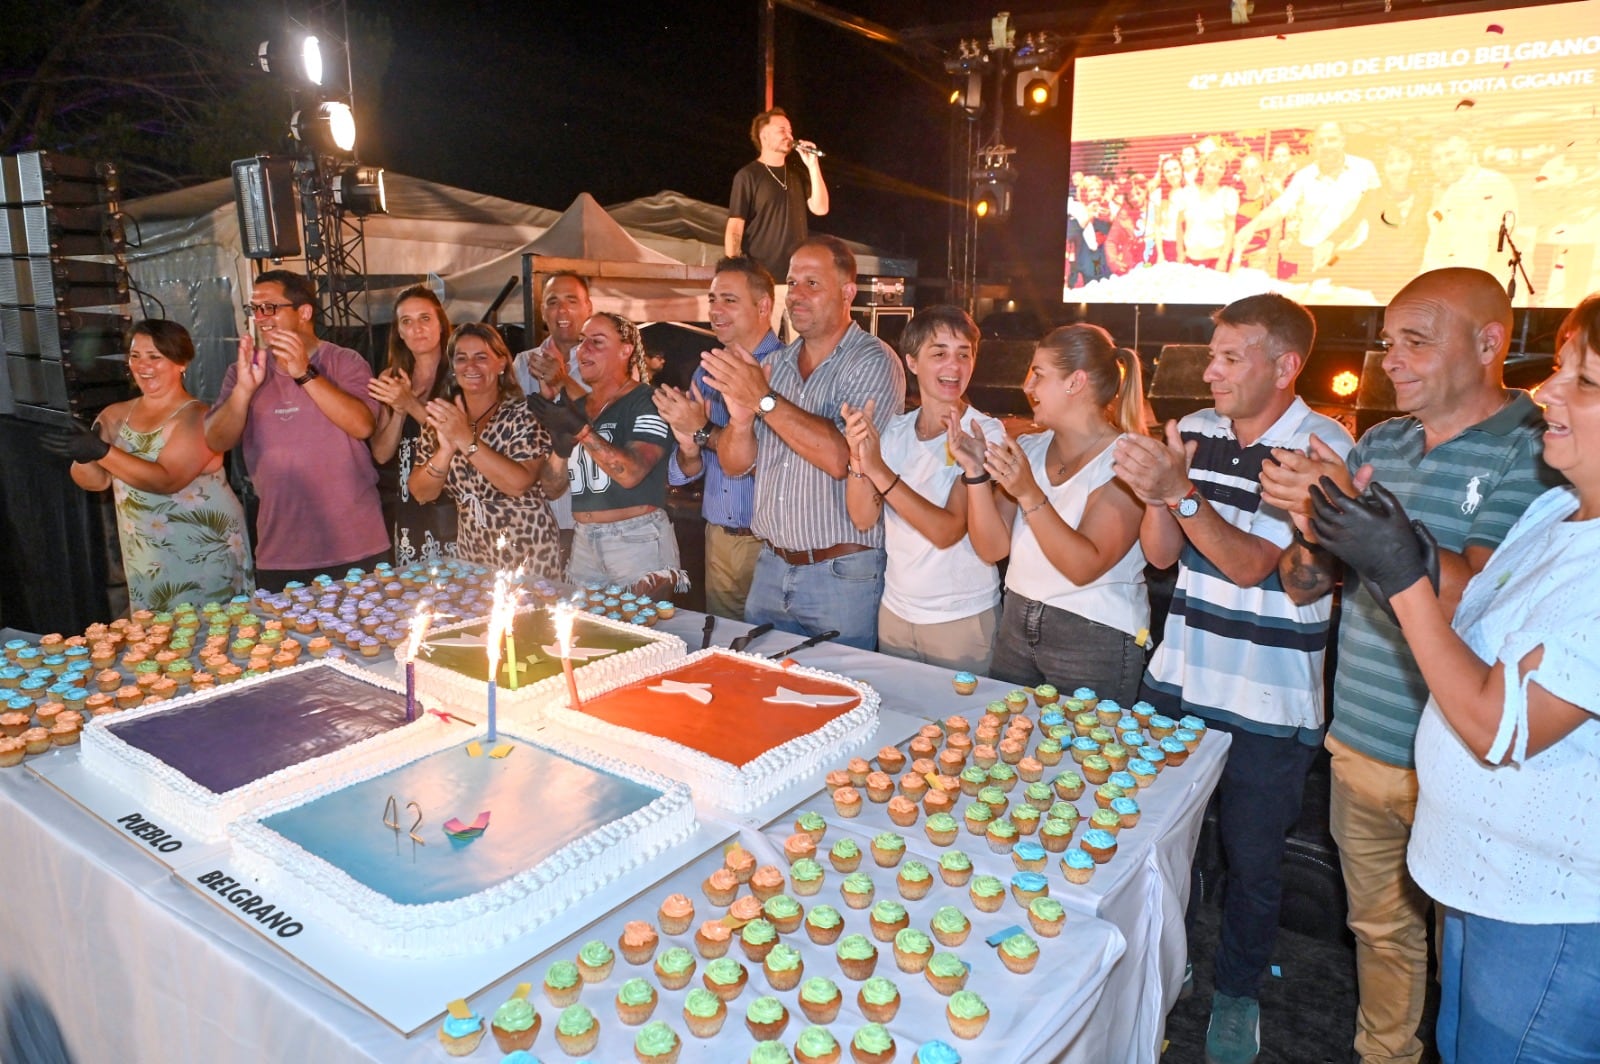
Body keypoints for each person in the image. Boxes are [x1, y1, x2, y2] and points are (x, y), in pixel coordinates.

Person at [1261, 267, 1558, 1064]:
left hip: (1467, 756)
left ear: (1491, 343)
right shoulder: (1381, 442)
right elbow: (1307, 582)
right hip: (1361, 739)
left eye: (1417, 342)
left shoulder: (1536, 450)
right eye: (1388, 341)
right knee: (1378, 934)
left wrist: (1366, 524)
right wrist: (1312, 527)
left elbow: (1486, 601)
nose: (1392, 360)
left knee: (1473, 959)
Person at [1112, 292, 1354, 1064]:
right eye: (1210, 355)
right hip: (1180, 678)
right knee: (1158, 845)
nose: (1208, 371)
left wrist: (1178, 492)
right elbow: (1159, 554)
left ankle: (1238, 992)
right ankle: (1165, 968)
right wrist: (1160, 491)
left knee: (1252, 861)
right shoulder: (1203, 434)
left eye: (1228, 357)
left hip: (1266, 698)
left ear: (1285, 366)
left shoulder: (1321, 449)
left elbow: (1257, 567)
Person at [703, 234, 905, 651]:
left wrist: (762, 399)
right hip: (771, 565)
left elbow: (841, 458)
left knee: (839, 700)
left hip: (840, 573)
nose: (796, 294)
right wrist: (740, 422)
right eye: (792, 283)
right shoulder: (774, 366)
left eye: (812, 283)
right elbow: (736, 465)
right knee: (762, 696)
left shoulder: (873, 359)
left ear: (848, 292)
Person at [958, 323, 1148, 698]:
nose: (1027, 387)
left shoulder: (1128, 457)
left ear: (1075, 382)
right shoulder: (1029, 447)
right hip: (1016, 620)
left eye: (1038, 375)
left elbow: (1082, 566)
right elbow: (991, 548)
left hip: (1093, 636)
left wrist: (1030, 494)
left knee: (1087, 753)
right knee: (1007, 749)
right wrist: (975, 474)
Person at [839, 306, 1005, 673]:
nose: (955, 366)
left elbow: (947, 531)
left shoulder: (984, 433)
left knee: (964, 728)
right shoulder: (896, 431)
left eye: (964, 354)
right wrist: (857, 458)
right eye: (940, 353)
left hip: (960, 618)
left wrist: (879, 470)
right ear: (912, 363)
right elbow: (863, 517)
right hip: (896, 612)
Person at [204, 269, 387, 591]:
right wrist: (244, 392)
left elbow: (362, 426)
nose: (260, 318)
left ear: (304, 312)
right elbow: (216, 440)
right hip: (282, 550)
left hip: (355, 543)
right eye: (254, 309)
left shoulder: (344, 361)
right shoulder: (243, 371)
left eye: (270, 307)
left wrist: (305, 374)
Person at [58, 320, 252, 611]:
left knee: (211, 639)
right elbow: (95, 481)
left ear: (181, 362)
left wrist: (102, 450)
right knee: (159, 642)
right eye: (135, 356)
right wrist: (85, 456)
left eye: (154, 357)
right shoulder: (115, 414)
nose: (142, 366)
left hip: (203, 548)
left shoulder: (197, 416)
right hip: (147, 552)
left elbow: (166, 480)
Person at [652, 257, 783, 620]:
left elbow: (779, 462)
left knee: (772, 654)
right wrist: (688, 446)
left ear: (764, 306)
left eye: (729, 300)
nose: (716, 310)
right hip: (719, 538)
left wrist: (702, 431)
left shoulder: (786, 368)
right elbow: (685, 473)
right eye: (712, 300)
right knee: (726, 650)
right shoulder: (707, 369)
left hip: (771, 544)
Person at [533, 312, 679, 590]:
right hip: (584, 538)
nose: (582, 349)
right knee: (586, 630)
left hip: (636, 538)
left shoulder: (648, 400)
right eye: (582, 341)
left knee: (644, 631)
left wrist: (582, 432)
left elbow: (631, 473)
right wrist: (560, 451)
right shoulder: (578, 406)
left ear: (626, 350)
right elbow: (552, 489)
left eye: (596, 342)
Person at [407, 323, 561, 577]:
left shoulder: (524, 414)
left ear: (501, 364)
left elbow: (518, 484)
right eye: (462, 358)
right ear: (453, 368)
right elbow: (421, 492)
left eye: (481, 357)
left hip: (526, 545)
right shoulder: (444, 417)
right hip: (471, 545)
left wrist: (466, 440)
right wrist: (445, 452)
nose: (471, 366)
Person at [367, 284, 458, 567]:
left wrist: (410, 403)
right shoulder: (393, 377)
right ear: (399, 332)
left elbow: (457, 436)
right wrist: (397, 412)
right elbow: (381, 454)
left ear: (441, 325)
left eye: (425, 318)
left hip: (453, 496)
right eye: (407, 321)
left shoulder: (459, 373)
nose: (417, 328)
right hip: (409, 502)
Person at [513, 271, 594, 562]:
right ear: (543, 312)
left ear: (589, 308)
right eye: (552, 302)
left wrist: (563, 382)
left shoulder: (605, 360)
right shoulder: (523, 363)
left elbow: (611, 418)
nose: (562, 310)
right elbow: (514, 431)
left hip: (595, 514)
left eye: (571, 301)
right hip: (539, 515)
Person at [1232, 122, 1379, 280]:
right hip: (1311, 258)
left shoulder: (1364, 168)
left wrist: (1332, 241)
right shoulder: (1304, 176)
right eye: (1321, 141)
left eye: (1332, 139)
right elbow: (1280, 207)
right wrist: (1253, 226)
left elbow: (1371, 207)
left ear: (1343, 141)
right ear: (1315, 145)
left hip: (1351, 258)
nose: (1326, 145)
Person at [725, 108, 829, 289]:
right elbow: (735, 225)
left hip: (797, 278)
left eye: (790, 131)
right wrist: (733, 272)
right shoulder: (748, 175)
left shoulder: (797, 174)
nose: (789, 136)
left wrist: (813, 166)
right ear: (764, 136)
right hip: (761, 277)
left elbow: (820, 208)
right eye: (782, 130)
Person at [1420, 133, 1519, 276]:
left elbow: (1499, 244)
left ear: (1467, 152)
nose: (1444, 162)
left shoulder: (1491, 183)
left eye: (1450, 154)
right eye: (1436, 158)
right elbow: (1436, 243)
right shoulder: (1444, 192)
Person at [1174, 152, 1239, 269]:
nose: (1215, 170)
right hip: (1189, 260)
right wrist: (1180, 252)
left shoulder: (1228, 194)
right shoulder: (1188, 193)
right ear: (1203, 167)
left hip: (1215, 261)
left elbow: (1231, 228)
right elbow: (1179, 224)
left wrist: (1223, 259)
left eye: (1221, 167)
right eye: (1212, 164)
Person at [1148, 156, 1186, 263]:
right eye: (1168, 171)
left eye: (1175, 169)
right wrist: (1160, 254)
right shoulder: (1158, 195)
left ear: (1182, 169)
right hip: (1167, 246)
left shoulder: (1191, 192)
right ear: (1163, 174)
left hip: (1188, 246)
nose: (1172, 174)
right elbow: (1157, 226)